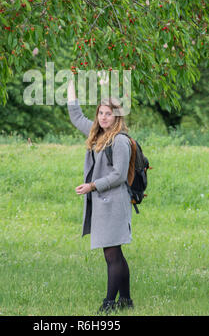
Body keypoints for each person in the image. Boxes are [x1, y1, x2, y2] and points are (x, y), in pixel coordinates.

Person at [67, 78, 134, 314]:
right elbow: (76, 116)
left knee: (111, 253)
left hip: (115, 203)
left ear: (117, 117)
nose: (103, 117)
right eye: (101, 113)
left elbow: (118, 176)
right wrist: (70, 84)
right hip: (103, 203)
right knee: (115, 252)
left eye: (108, 114)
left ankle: (109, 303)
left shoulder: (120, 141)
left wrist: (92, 186)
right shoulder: (97, 134)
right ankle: (125, 301)